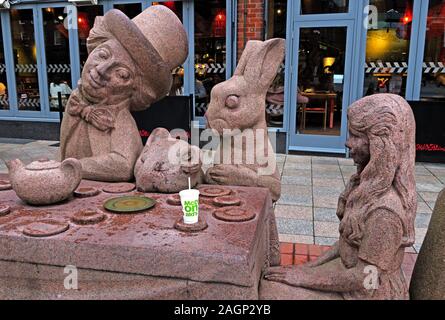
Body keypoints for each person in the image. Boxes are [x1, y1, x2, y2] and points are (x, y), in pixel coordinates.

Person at [261, 94, 417, 300]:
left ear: (382, 145)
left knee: (269, 293)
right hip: (348, 274)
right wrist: (308, 267)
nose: (347, 143)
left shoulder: (385, 213)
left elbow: (366, 279)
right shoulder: (365, 189)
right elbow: (346, 245)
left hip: (366, 294)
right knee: (270, 284)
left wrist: (301, 277)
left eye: (355, 136)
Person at [60, 6, 188, 182]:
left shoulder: (119, 118)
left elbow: (123, 165)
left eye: (122, 74)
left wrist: (73, 167)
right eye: (103, 54)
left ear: (135, 89)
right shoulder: (76, 99)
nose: (101, 70)